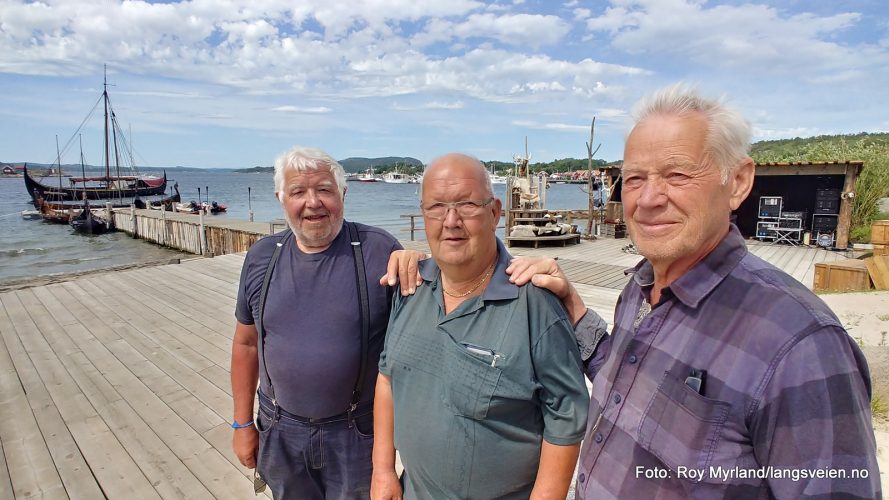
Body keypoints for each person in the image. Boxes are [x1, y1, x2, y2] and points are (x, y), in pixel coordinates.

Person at [506, 84, 880, 498]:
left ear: (737, 181)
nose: (648, 199)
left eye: (677, 175)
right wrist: (573, 306)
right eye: (634, 179)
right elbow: (624, 377)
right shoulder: (639, 286)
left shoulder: (800, 345)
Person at [371, 153, 591, 499]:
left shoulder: (534, 301)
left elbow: (566, 414)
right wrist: (383, 470)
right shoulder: (410, 286)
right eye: (437, 207)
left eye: (467, 205)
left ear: (494, 212)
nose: (451, 220)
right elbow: (387, 377)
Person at [230, 146, 424, 499]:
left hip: (355, 433)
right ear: (280, 198)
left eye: (324, 189)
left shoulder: (378, 251)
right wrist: (243, 423)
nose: (313, 202)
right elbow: (245, 344)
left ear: (343, 194)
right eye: (298, 192)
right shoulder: (261, 257)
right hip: (279, 429)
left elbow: (440, 305)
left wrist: (421, 262)